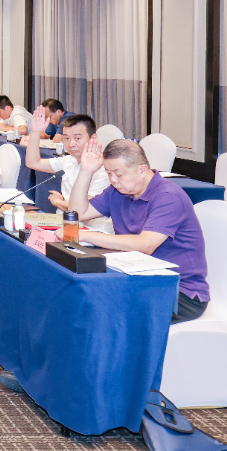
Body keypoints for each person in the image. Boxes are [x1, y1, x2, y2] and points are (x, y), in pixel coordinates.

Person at [66, 138, 209, 324]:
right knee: (81, 296)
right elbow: (77, 212)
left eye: (118, 174)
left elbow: (145, 245)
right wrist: (86, 171)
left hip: (178, 291)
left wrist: (86, 235)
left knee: (102, 309)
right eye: (108, 173)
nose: (113, 180)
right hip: (137, 277)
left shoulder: (168, 196)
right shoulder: (118, 191)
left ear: (142, 170)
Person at [25, 109, 110, 218]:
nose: (71, 144)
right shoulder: (69, 160)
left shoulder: (103, 170)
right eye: (66, 138)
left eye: (77, 138)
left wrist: (58, 202)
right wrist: (36, 132)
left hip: (88, 226)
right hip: (63, 221)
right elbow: (33, 163)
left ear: (93, 138)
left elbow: (84, 209)